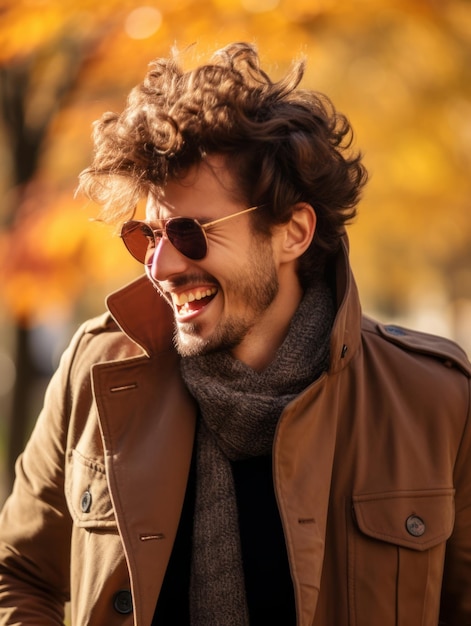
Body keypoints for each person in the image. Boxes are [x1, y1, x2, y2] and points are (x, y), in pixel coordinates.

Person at [0, 41, 470, 626]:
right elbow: (16, 574)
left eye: (191, 234)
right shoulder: (94, 373)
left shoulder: (436, 401)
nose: (161, 268)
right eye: (146, 237)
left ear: (293, 233)